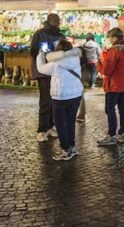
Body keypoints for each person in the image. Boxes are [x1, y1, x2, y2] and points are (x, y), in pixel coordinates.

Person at [36, 39, 85, 161]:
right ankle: (72, 147)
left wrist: (40, 55)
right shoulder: (75, 59)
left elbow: (41, 68)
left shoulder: (55, 64)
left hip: (61, 97)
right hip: (75, 95)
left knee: (60, 124)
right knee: (70, 122)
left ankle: (66, 149)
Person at [29, 13, 64, 142]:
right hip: (43, 71)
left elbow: (64, 51)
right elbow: (32, 50)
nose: (58, 23)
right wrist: (42, 52)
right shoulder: (39, 34)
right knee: (45, 100)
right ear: (50, 21)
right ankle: (42, 129)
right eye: (56, 21)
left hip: (56, 71)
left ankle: (50, 126)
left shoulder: (60, 36)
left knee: (54, 99)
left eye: (58, 21)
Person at [97, 27, 124, 146]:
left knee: (110, 109)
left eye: (109, 37)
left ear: (113, 37)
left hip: (114, 85)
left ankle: (111, 135)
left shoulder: (114, 51)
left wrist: (98, 64)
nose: (108, 40)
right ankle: (122, 134)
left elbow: (107, 70)